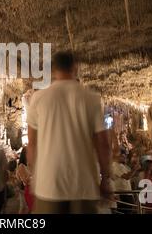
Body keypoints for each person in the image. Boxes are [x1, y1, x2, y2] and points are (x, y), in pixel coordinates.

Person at [27, 51, 112, 214]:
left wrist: (34, 175)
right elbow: (103, 144)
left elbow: (32, 143)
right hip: (84, 184)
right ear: (75, 67)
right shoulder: (91, 98)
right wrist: (106, 179)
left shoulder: (38, 98)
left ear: (53, 70)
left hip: (48, 183)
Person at [112, 149, 141, 214]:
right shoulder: (115, 165)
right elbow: (127, 177)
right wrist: (135, 168)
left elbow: (132, 175)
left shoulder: (123, 166)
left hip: (127, 193)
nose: (125, 157)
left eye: (125, 155)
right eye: (122, 155)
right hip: (122, 194)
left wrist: (135, 166)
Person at [16, 146, 33, 213]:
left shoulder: (29, 164)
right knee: (23, 207)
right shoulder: (22, 166)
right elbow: (25, 181)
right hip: (25, 189)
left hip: (28, 189)